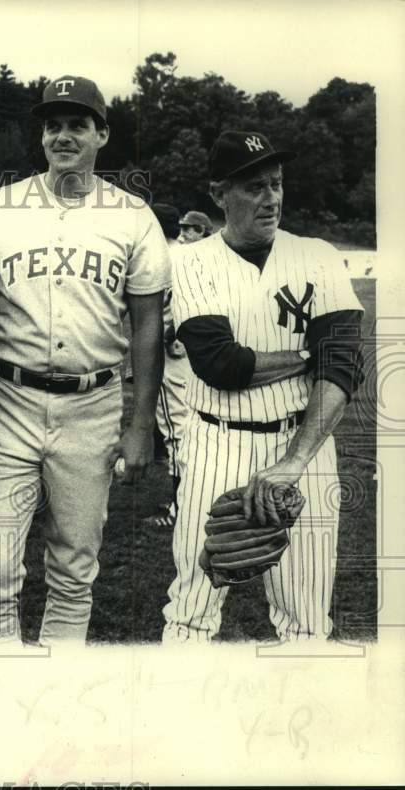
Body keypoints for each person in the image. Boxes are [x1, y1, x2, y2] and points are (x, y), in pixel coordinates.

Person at [0, 75, 170, 649]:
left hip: (94, 405)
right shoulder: (0, 208)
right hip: (10, 401)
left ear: (102, 134)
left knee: (75, 566)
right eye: (52, 125)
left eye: (77, 125)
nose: (62, 135)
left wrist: (140, 422)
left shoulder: (132, 216)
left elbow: (147, 324)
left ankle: (61, 689)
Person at [163, 130, 364, 642]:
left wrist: (293, 463)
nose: (270, 198)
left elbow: (341, 367)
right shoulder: (190, 260)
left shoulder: (317, 254)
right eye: (253, 187)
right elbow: (220, 364)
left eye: (276, 184)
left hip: (306, 447)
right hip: (216, 440)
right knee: (190, 611)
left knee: (306, 619)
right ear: (218, 195)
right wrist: (307, 356)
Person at [143, 203, 190, 529]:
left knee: (177, 430)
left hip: (174, 355)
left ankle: (181, 509)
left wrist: (173, 334)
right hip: (193, 356)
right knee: (190, 427)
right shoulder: (189, 253)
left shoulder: (163, 260)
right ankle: (187, 500)